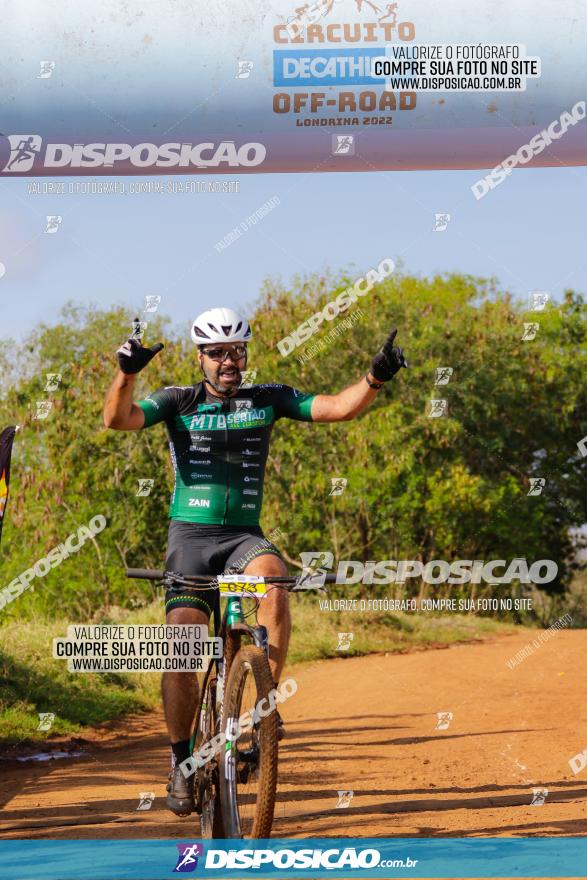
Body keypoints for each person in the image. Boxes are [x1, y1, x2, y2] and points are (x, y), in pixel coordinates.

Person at [103, 306, 407, 816]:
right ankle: (180, 760)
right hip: (191, 539)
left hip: (243, 537)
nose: (229, 361)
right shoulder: (180, 400)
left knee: (274, 580)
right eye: (219, 352)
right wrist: (127, 372)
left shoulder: (266, 399)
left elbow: (338, 408)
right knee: (181, 642)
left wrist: (375, 375)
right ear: (200, 357)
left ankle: (265, 711)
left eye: (237, 351)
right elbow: (117, 419)